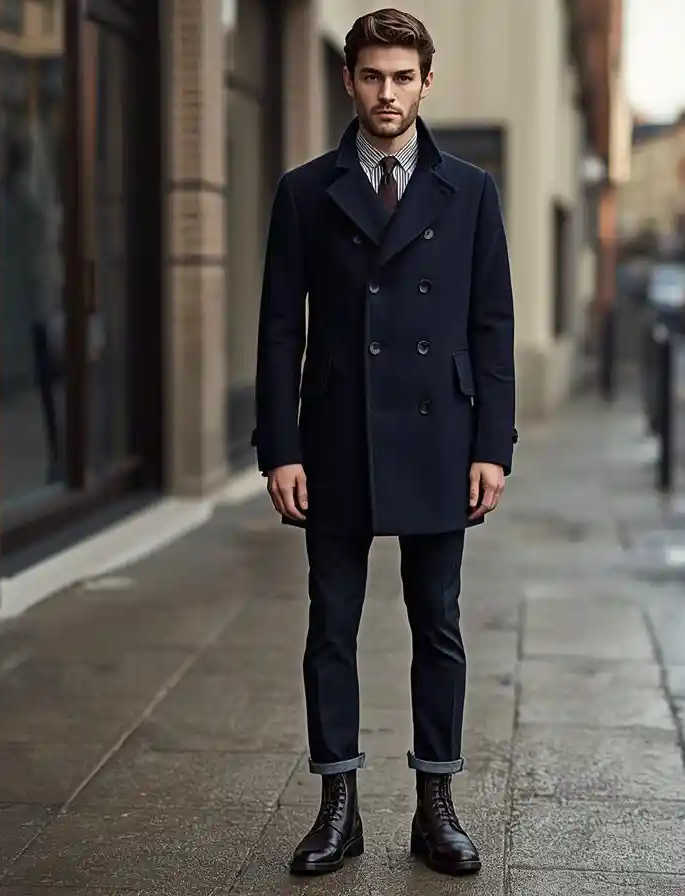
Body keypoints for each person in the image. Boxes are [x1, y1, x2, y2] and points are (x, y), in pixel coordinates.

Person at [253, 7, 516, 877]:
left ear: (426, 82)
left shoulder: (471, 190)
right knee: (332, 625)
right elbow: (277, 332)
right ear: (350, 81)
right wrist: (279, 448)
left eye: (403, 77)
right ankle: (339, 809)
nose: (387, 93)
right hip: (334, 439)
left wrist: (494, 445)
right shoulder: (304, 190)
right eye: (372, 76)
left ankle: (435, 806)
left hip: (442, 437)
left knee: (436, 624)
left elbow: (491, 325)